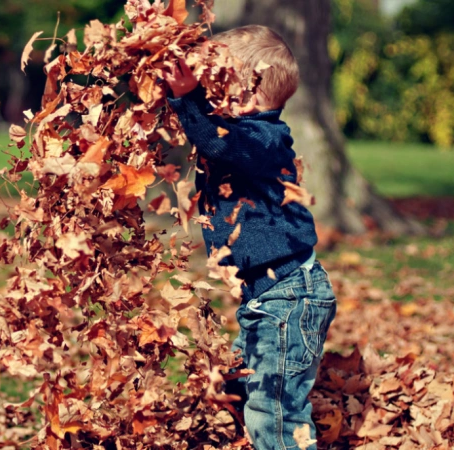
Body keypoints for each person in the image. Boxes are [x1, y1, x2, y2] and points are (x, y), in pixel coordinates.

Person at [162, 25, 337, 450]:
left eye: (221, 85)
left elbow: (218, 143)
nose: (211, 94)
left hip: (289, 298)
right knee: (238, 383)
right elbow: (212, 133)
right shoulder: (243, 134)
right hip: (266, 299)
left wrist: (186, 99)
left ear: (252, 96)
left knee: (274, 412)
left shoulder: (263, 139)